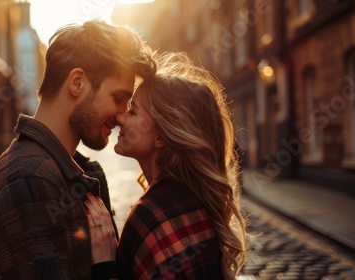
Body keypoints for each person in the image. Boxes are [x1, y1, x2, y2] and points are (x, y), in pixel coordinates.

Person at [0, 19, 156, 279]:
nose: (121, 116)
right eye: (117, 99)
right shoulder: (29, 180)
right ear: (77, 83)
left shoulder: (70, 169)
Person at [85, 52, 247, 280]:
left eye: (133, 111)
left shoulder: (151, 214)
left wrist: (104, 264)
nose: (120, 118)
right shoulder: (193, 200)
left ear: (160, 136)